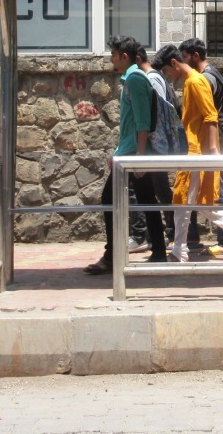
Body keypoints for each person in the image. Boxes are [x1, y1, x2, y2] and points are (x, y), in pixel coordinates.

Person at [152, 44, 223, 264]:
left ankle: (180, 251)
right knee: (195, 202)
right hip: (194, 150)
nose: (168, 77)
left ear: (174, 63)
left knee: (182, 200)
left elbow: (210, 116)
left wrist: (213, 152)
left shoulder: (196, 82)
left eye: (167, 71)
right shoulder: (191, 82)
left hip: (197, 152)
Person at [84, 37, 169, 275]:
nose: (110, 58)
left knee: (109, 199)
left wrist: (139, 156)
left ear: (124, 56)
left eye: (113, 54)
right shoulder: (132, 78)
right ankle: (159, 253)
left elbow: (142, 121)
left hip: (134, 153)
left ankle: (112, 256)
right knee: (147, 199)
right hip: (131, 151)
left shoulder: (134, 79)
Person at [178, 37, 223, 254]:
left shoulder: (206, 79)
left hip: (209, 144)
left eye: (185, 57)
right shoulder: (212, 74)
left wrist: (212, 149)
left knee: (216, 189)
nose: (182, 62)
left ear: (195, 56)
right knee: (207, 187)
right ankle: (194, 237)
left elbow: (209, 115)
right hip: (208, 143)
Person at [136, 45, 178, 242]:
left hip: (156, 142)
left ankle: (168, 230)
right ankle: (167, 230)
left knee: (159, 188)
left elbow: (159, 113)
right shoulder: (156, 77)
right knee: (159, 188)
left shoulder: (151, 79)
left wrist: (153, 143)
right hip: (158, 141)